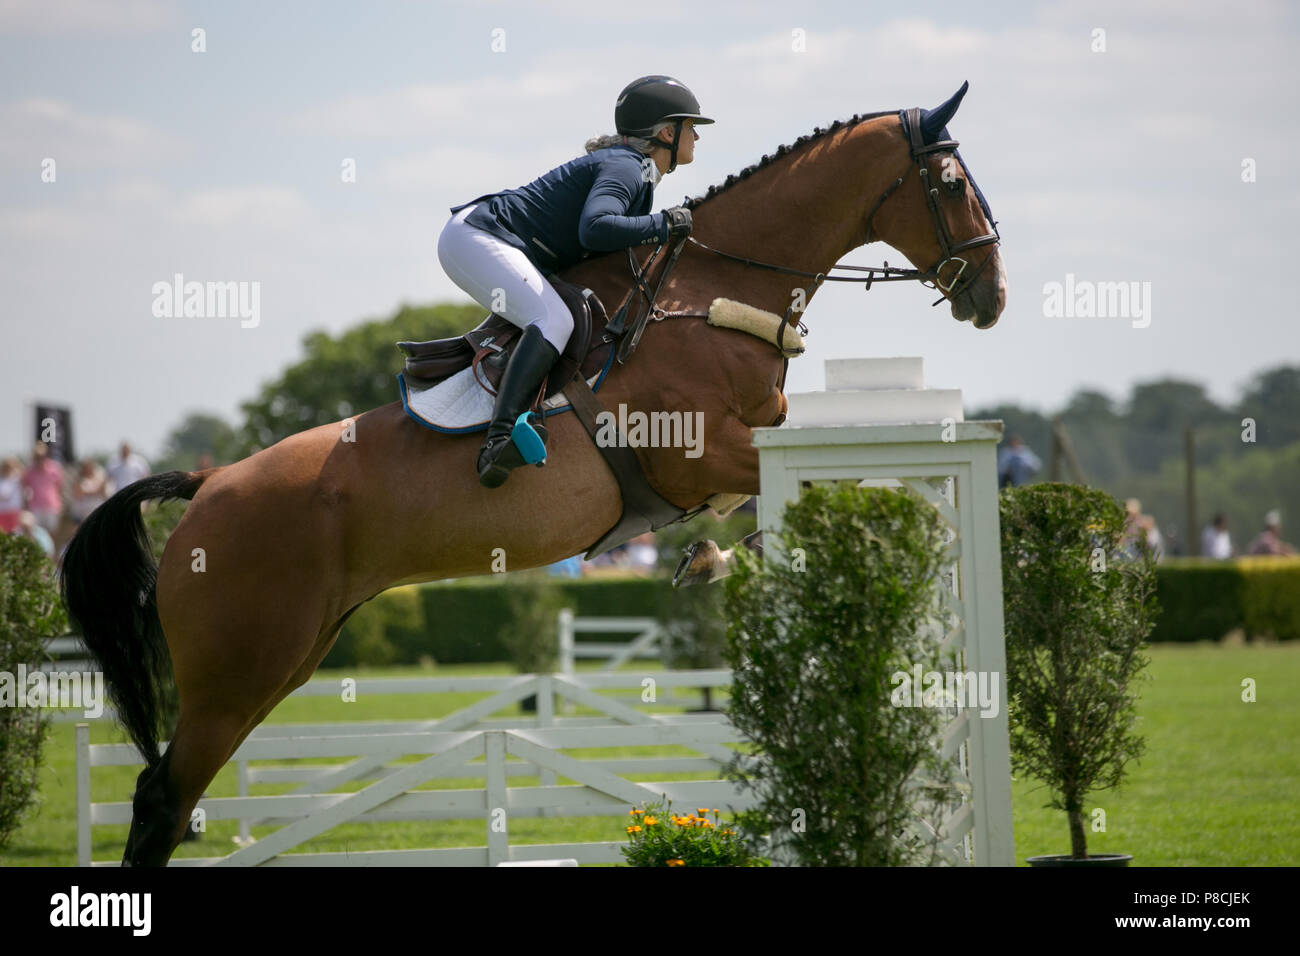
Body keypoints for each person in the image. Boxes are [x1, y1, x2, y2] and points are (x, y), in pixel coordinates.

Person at [437, 75, 712, 489]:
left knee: (558, 316)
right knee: (553, 320)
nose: (696, 137)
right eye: (691, 127)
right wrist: (662, 224)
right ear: (667, 133)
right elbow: (596, 229)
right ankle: (498, 439)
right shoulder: (627, 167)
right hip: (478, 236)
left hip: (493, 239)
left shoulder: (634, 170)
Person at [21, 442, 64, 537]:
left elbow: (59, 488)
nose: (40, 459)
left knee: (52, 535)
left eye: (42, 456)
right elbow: (24, 489)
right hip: (36, 507)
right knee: (37, 534)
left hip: (52, 507)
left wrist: (60, 504)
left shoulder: (55, 468)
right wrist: (25, 506)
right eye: (37, 456)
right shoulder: (29, 471)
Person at [69, 459, 110, 526]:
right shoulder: (79, 480)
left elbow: (104, 493)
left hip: (98, 512)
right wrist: (96, 492)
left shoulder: (99, 479)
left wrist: (88, 492)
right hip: (83, 514)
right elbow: (78, 494)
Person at [0, 457, 23, 534]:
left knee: (14, 533)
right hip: (2, 511)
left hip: (14, 511)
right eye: (6, 467)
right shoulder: (1, 480)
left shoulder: (17, 478)